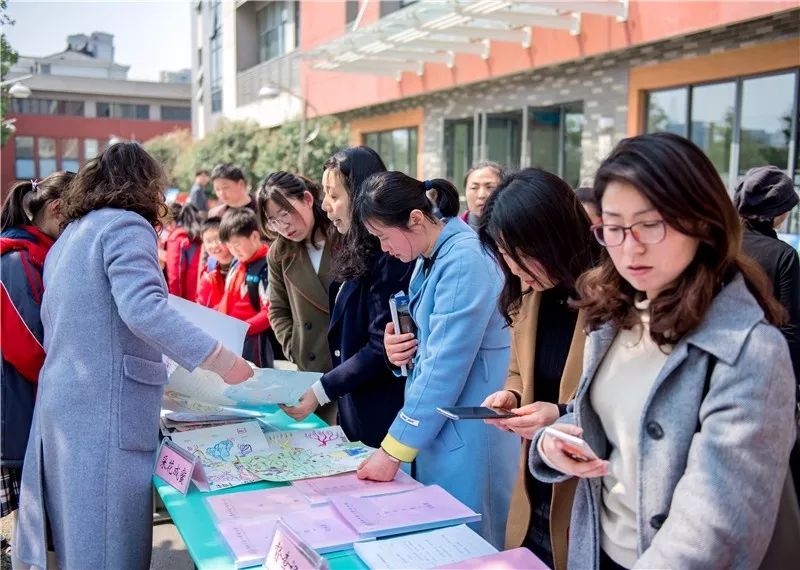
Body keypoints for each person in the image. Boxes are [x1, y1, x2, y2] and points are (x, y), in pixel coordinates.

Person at [530, 133, 796, 569]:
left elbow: (715, 526)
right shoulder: (615, 314)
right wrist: (550, 444)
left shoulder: (750, 352)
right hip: (596, 553)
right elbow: (592, 416)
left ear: (702, 221)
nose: (630, 246)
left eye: (651, 224)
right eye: (613, 227)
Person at [13, 142, 253, 570]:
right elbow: (144, 309)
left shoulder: (72, 234)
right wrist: (221, 360)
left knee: (82, 541)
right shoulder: (126, 226)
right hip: (107, 410)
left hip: (68, 408)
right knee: (109, 546)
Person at [354, 172, 519, 549]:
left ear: (415, 219)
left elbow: (445, 365)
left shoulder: (464, 259)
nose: (384, 248)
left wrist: (393, 449)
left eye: (383, 236)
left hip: (470, 432)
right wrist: (400, 349)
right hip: (439, 426)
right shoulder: (430, 254)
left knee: (473, 545)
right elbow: (429, 345)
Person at [478, 169, 599, 570]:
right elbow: (519, 371)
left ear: (554, 237)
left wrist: (561, 415)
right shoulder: (530, 294)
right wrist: (511, 395)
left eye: (519, 255)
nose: (512, 269)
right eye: (505, 257)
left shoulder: (610, 302)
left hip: (589, 494)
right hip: (535, 484)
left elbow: (619, 403)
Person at [281, 147, 412, 448]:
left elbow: (380, 346)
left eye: (334, 196)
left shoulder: (391, 253)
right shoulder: (351, 245)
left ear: (362, 195)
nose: (325, 206)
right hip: (355, 414)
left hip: (384, 417)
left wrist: (320, 390)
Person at [0, 172, 74, 536]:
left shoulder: (33, 254)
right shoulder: (16, 260)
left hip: (24, 401)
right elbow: (28, 346)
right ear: (58, 208)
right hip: (16, 407)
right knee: (29, 523)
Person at [733, 165, 800, 504]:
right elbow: (790, 331)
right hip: (763, 380)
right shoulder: (783, 255)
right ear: (781, 213)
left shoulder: (718, 245)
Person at [257, 171, 337, 423]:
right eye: (273, 221)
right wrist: (296, 348)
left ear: (307, 199)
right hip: (310, 372)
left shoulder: (345, 237)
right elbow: (277, 310)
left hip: (348, 368)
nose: (284, 226)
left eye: (285, 213)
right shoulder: (279, 253)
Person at [218, 208, 273, 367]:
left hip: (254, 342)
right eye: (229, 246)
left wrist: (240, 329)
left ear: (255, 236)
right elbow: (227, 298)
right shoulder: (237, 262)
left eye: (237, 244)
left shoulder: (267, 266)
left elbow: (269, 313)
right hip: (231, 338)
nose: (233, 250)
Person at [164, 202, 203, 301]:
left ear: (171, 221)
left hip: (186, 300)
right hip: (200, 296)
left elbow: (175, 275)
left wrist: (176, 301)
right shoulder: (196, 235)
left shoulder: (176, 238)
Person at [196, 215, 234, 309]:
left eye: (218, 239)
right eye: (208, 241)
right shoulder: (208, 270)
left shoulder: (242, 265)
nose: (214, 245)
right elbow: (201, 303)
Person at [459, 161, 503, 232]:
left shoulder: (516, 230)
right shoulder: (451, 231)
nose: (481, 195)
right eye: (474, 188)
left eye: (490, 187)